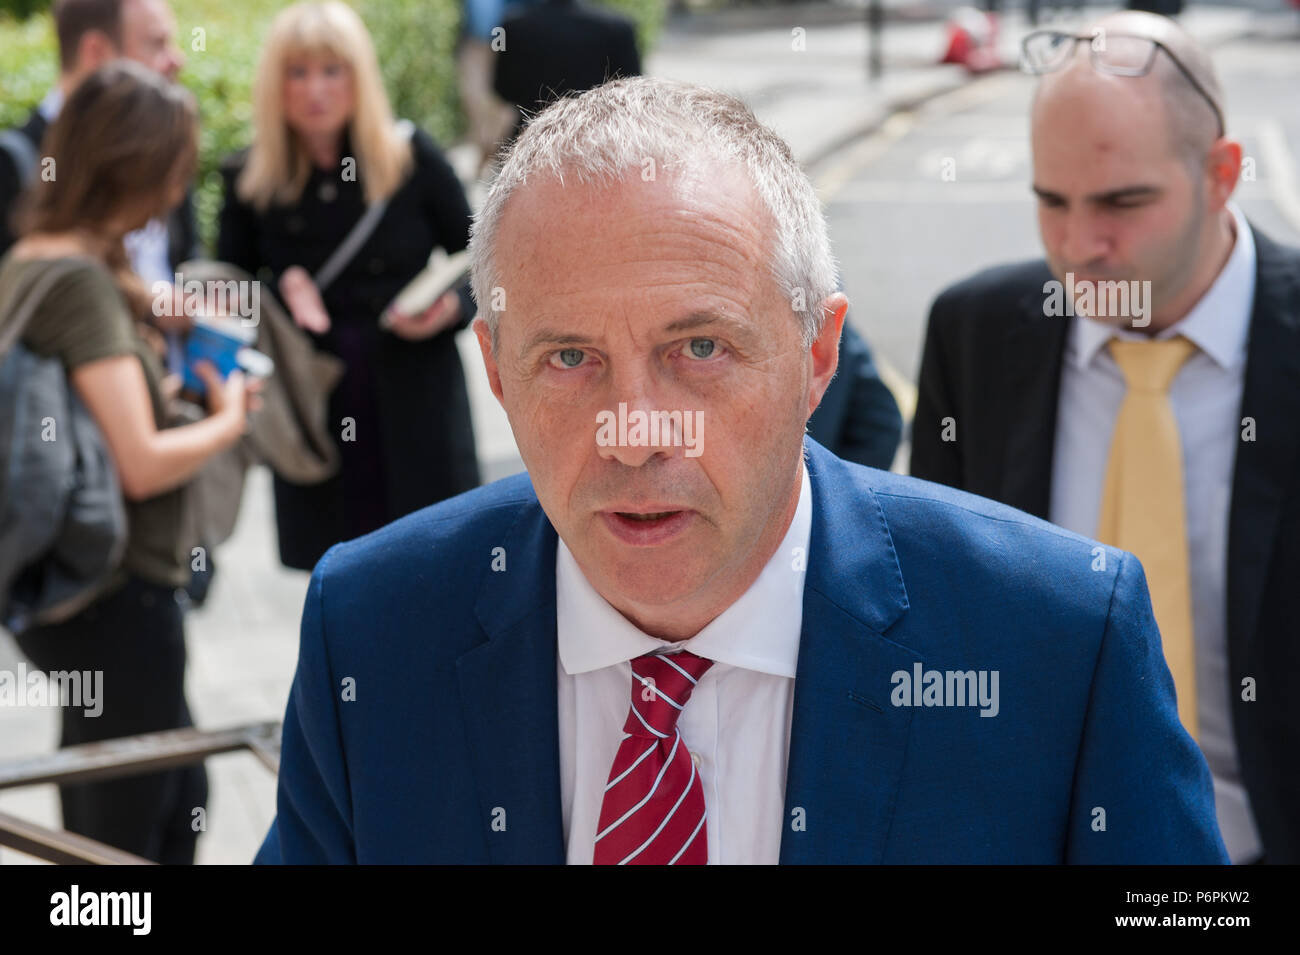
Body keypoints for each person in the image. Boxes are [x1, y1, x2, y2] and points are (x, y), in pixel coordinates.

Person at [255, 76, 1226, 865]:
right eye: (569, 358)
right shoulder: (372, 630)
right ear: (496, 375)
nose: (631, 433)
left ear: (816, 358)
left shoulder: (1055, 641)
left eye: (700, 348)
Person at [911, 12, 1298, 864]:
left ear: (1222, 174)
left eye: (1124, 202)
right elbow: (939, 622)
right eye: (1052, 201)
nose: (1078, 247)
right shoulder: (974, 333)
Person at [1, 61, 260, 864]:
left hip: (72, 601)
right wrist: (227, 420)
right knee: (124, 833)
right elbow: (142, 463)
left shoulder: (31, 257)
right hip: (119, 603)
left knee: (141, 790)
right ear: (140, 171)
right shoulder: (81, 282)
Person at [217, 1, 481, 572]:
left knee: (433, 563)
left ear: (358, 76)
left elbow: (485, 259)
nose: (316, 89)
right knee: (341, 573)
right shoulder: (249, 179)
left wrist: (448, 310)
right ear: (274, 83)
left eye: (332, 71)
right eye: (298, 72)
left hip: (414, 391)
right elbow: (228, 293)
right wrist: (280, 292)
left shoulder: (411, 159)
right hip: (318, 401)